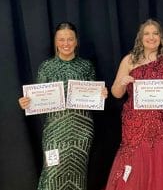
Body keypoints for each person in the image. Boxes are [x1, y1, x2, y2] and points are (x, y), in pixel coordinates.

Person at [18, 22, 108, 190]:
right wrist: (27, 102)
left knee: (78, 175)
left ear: (76, 41)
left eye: (70, 39)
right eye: (61, 39)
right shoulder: (46, 67)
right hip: (55, 130)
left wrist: (101, 94)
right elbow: (37, 97)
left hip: (82, 130)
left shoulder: (86, 66)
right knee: (52, 173)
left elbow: (93, 96)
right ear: (55, 42)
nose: (66, 43)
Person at [105, 19, 163, 190]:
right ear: (140, 38)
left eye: (155, 33)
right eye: (147, 34)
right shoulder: (129, 60)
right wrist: (122, 82)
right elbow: (116, 92)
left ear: (161, 37)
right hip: (136, 125)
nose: (151, 37)